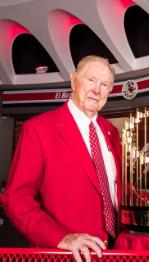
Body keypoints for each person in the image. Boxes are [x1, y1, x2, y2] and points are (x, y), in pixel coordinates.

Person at [1, 55, 121, 262]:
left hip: (112, 251)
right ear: (74, 80)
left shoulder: (111, 131)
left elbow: (114, 189)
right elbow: (16, 198)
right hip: (63, 255)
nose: (97, 90)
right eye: (91, 80)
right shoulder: (39, 129)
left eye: (105, 84)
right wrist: (60, 237)